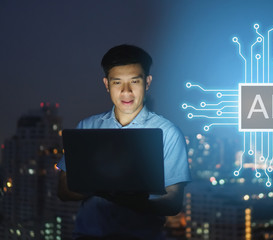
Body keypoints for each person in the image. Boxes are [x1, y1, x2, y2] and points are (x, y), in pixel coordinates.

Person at [57, 44, 191, 240]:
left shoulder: (168, 133)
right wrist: (107, 189)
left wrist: (128, 199)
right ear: (106, 84)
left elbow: (173, 203)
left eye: (134, 82)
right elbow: (63, 190)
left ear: (147, 82)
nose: (126, 91)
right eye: (117, 82)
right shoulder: (87, 127)